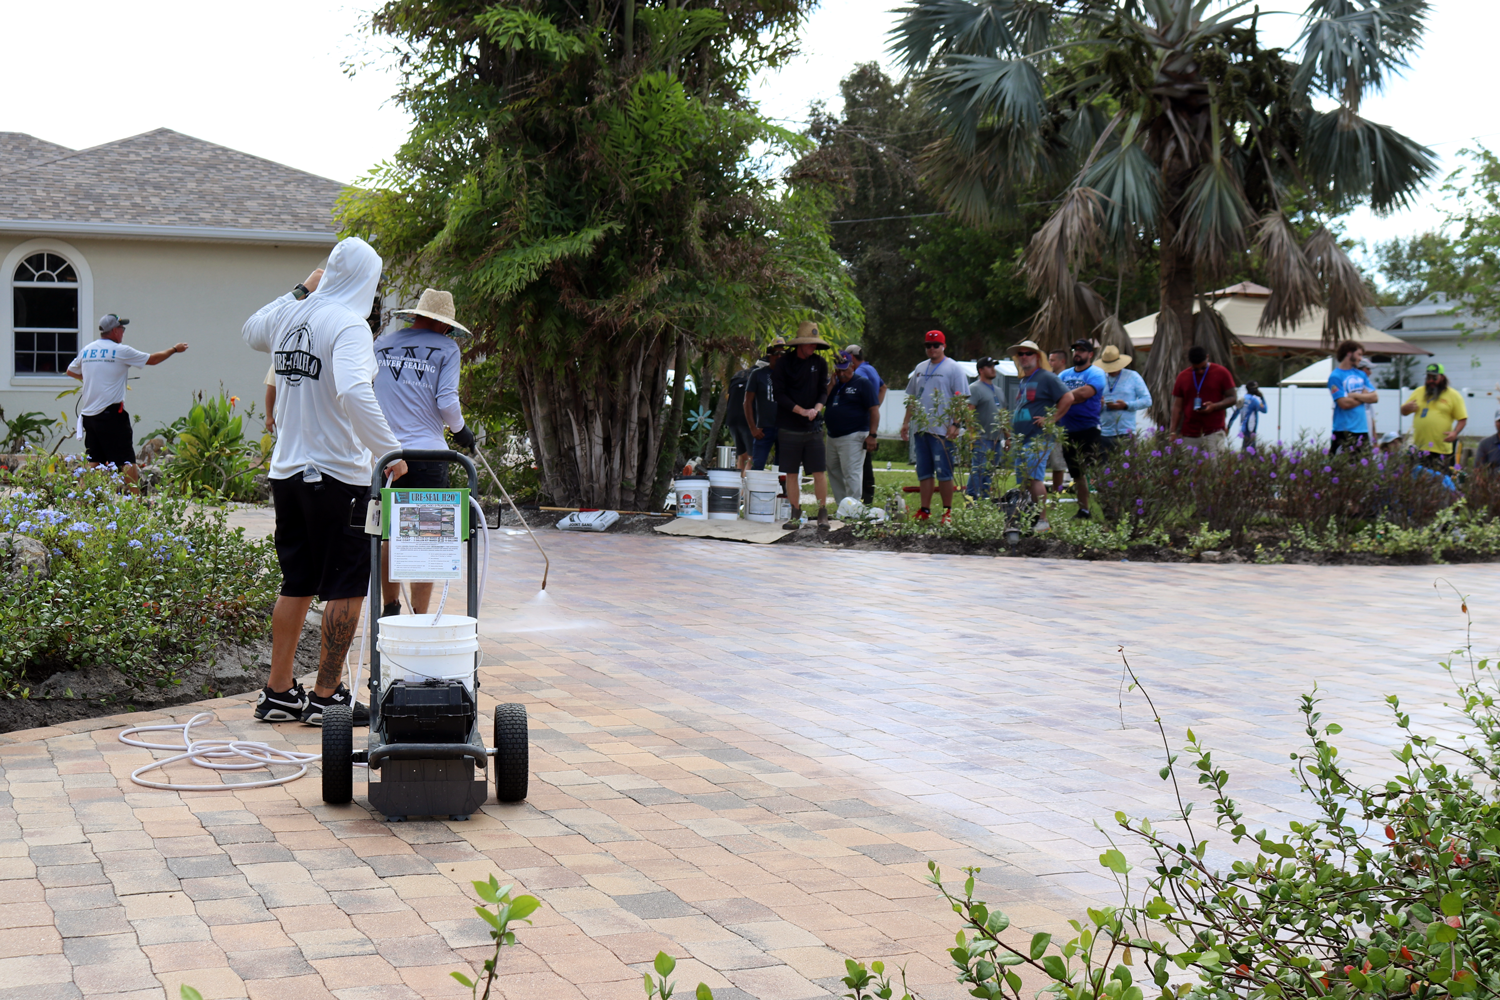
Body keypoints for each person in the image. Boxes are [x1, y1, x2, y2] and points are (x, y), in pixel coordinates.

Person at [243, 238, 409, 727]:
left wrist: (302, 288)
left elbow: (251, 329)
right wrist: (390, 453)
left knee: (297, 580)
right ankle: (325, 696)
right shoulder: (350, 325)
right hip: (338, 474)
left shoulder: (292, 315)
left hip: (288, 471)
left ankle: (277, 693)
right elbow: (356, 391)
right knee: (347, 585)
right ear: (366, 281)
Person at [373, 288, 477, 619]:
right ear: (445, 325)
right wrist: (462, 433)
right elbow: (447, 402)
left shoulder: (382, 345)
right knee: (426, 539)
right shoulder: (447, 348)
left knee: (387, 534)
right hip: (430, 456)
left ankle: (390, 608)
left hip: (387, 455)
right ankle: (420, 618)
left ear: (415, 316)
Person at [65, 314, 188, 490]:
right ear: (114, 331)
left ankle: (79, 500)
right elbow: (152, 359)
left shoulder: (87, 350)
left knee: (94, 460)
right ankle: (136, 504)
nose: (123, 332)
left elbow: (70, 371)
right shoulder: (120, 350)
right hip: (112, 415)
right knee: (127, 461)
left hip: (89, 415)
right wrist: (174, 349)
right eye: (121, 329)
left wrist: (93, 378)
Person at [900, 330, 970, 523]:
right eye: (928, 346)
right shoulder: (920, 368)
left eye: (936, 345)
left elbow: (961, 399)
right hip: (922, 429)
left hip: (943, 430)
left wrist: (956, 424)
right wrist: (906, 422)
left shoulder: (954, 368)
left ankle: (947, 511)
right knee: (924, 471)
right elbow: (913, 397)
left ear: (943, 346)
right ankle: (925, 509)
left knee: (944, 472)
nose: (932, 349)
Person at [1007, 339, 1075, 534]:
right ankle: (1030, 518)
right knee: (1024, 480)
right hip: (1022, 438)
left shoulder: (1047, 377)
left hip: (1038, 437)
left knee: (1035, 479)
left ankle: (1043, 521)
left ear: (1037, 356)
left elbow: (1068, 397)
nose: (1024, 357)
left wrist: (1052, 419)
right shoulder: (1024, 379)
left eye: (1028, 353)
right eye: (1020, 354)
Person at [772, 322, 832, 528]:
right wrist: (801, 410)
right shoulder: (783, 363)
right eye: (810, 344)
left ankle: (822, 512)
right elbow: (779, 394)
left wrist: (817, 408)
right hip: (789, 427)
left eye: (816, 344)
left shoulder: (820, 363)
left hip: (813, 428)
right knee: (791, 472)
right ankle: (795, 512)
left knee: (818, 471)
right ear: (800, 344)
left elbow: (823, 390)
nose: (813, 348)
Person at [1056, 339, 1107, 519]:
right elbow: (1056, 396)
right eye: (1075, 350)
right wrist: (1073, 398)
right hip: (1068, 430)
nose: (1077, 353)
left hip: (1089, 429)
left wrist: (1067, 398)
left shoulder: (1096, 373)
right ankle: (1084, 510)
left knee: (1097, 472)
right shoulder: (1064, 375)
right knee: (1077, 473)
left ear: (1090, 354)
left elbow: (1087, 393)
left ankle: (1109, 509)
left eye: (1082, 350)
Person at [824, 351, 880, 505]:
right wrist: (831, 385)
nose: (841, 374)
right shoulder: (834, 384)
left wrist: (872, 435)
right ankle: (842, 506)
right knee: (833, 471)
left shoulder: (862, 383)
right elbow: (821, 403)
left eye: (844, 369)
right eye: (838, 370)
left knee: (851, 472)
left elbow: (874, 410)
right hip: (832, 435)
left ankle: (853, 506)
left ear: (853, 366)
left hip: (854, 434)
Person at [1168, 346, 1237, 451]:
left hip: (1214, 431)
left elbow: (1233, 398)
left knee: (1214, 466)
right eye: (1196, 369)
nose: (1200, 371)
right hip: (1189, 433)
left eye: (1203, 367)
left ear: (1207, 357)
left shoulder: (1221, 372)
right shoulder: (1183, 377)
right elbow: (1177, 406)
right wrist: (1173, 432)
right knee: (1189, 466)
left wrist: (1214, 406)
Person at [1401, 363, 1468, 469]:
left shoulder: (1453, 395)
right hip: (1420, 447)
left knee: (1440, 481)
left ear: (1442, 377)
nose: (1431, 381)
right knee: (1419, 480)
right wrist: (1405, 408)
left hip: (1441, 449)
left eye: (1434, 377)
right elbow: (1404, 412)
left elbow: (1462, 419)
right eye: (1428, 377)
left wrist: (1455, 433)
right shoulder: (1419, 392)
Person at [846, 344, 887, 503]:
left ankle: (862, 498)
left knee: (858, 463)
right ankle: (868, 496)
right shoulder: (871, 369)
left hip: (860, 424)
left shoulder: (860, 372)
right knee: (865, 461)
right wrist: (875, 407)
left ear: (851, 358)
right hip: (869, 422)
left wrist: (871, 408)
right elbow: (883, 388)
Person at [1328, 340, 1378, 454]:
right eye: (1359, 354)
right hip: (1343, 431)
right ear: (1349, 353)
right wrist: (1363, 396)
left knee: (1363, 469)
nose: (1361, 358)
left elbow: (1375, 397)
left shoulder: (1361, 374)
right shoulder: (1335, 377)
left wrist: (1355, 395)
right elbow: (1344, 404)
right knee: (1340, 469)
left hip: (1362, 430)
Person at [1098, 345, 1150, 455]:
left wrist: (1126, 405)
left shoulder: (1132, 376)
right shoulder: (1100, 378)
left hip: (1126, 431)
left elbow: (1147, 400)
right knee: (1104, 468)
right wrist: (1100, 405)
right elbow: (1092, 404)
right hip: (1105, 432)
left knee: (1127, 468)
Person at [966, 357, 1006, 501]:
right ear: (981, 370)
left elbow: (1003, 414)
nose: (993, 369)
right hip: (982, 437)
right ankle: (973, 497)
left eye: (993, 366)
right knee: (979, 468)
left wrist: (1007, 436)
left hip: (996, 438)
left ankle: (984, 496)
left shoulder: (999, 390)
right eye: (989, 367)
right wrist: (972, 433)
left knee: (989, 470)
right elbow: (969, 411)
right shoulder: (975, 388)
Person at [745, 336, 785, 471]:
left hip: (784, 428)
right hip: (763, 429)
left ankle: (783, 491)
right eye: (775, 353)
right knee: (757, 466)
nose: (779, 356)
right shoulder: (758, 374)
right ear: (769, 355)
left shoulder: (790, 375)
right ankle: (755, 492)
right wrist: (753, 428)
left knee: (783, 469)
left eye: (782, 353)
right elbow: (747, 402)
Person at [1045, 349, 1070, 492]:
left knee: (1058, 463)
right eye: (1050, 360)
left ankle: (1056, 495)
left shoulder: (1065, 379)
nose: (1050, 363)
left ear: (1062, 361)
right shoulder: (1048, 378)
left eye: (1053, 360)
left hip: (1060, 426)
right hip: (1046, 425)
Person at [725, 361, 755, 472]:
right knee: (752, 458)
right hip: (747, 420)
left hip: (732, 419)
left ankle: (739, 486)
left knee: (742, 456)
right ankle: (745, 489)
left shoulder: (737, 376)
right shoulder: (758, 376)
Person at [1227, 381, 1267, 450]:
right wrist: (1262, 397)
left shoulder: (1242, 399)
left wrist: (1228, 426)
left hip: (1243, 428)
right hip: (1251, 428)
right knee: (1251, 450)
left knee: (1245, 448)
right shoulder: (1253, 400)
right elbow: (1264, 410)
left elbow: (1235, 414)